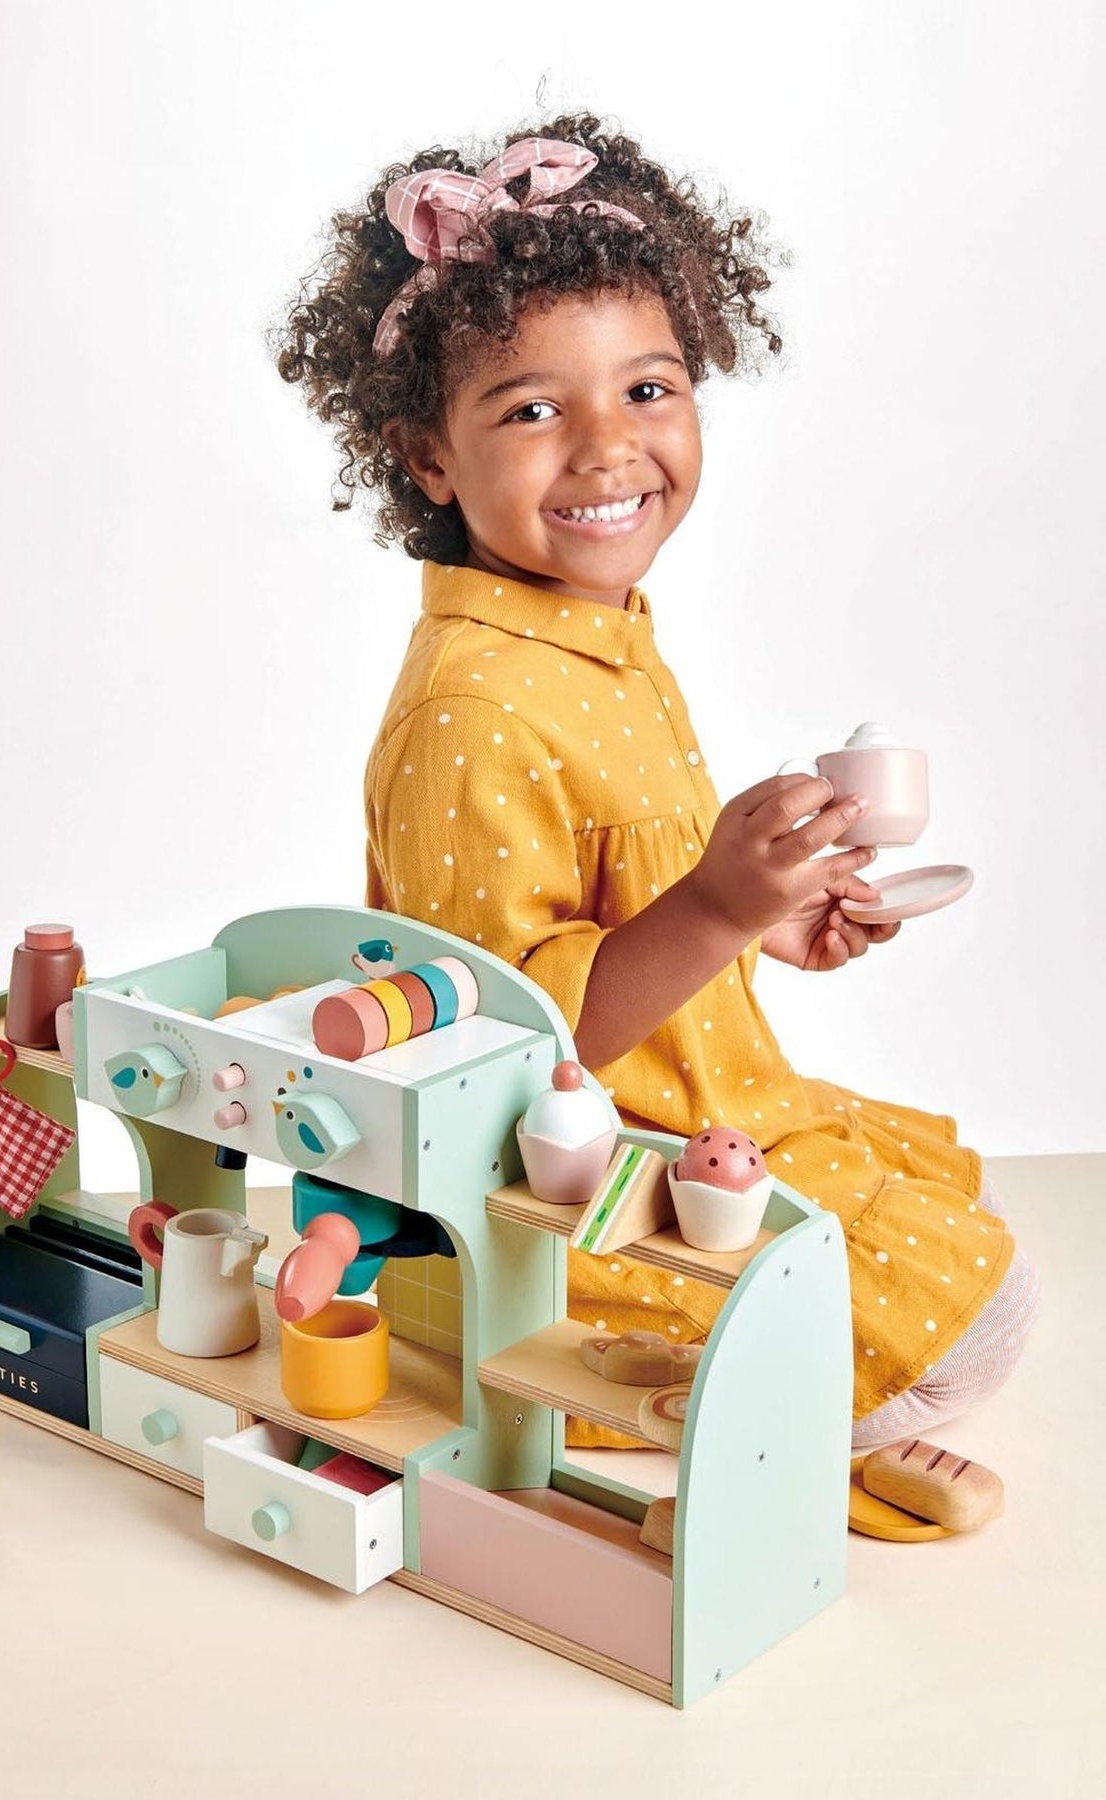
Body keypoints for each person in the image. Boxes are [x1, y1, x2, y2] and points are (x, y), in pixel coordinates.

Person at [276, 113, 1039, 1451]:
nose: (608, 448)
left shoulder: (592, 627)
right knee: (969, 1336)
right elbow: (504, 1048)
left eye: (648, 388)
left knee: (996, 1287)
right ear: (430, 456)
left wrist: (768, 914)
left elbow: (635, 905)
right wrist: (714, 913)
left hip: (711, 1114)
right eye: (531, 409)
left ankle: (778, 1430)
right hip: (577, 1187)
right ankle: (730, 1445)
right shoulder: (473, 703)